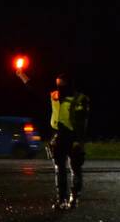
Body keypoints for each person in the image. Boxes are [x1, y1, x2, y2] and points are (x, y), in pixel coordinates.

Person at [19, 70, 90, 210]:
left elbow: (83, 122)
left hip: (73, 136)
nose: (59, 88)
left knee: (75, 169)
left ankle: (74, 199)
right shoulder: (55, 95)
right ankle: (61, 199)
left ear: (69, 84)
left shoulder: (81, 99)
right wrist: (22, 75)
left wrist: (79, 141)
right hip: (58, 136)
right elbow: (35, 88)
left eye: (62, 85)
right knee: (60, 169)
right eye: (58, 85)